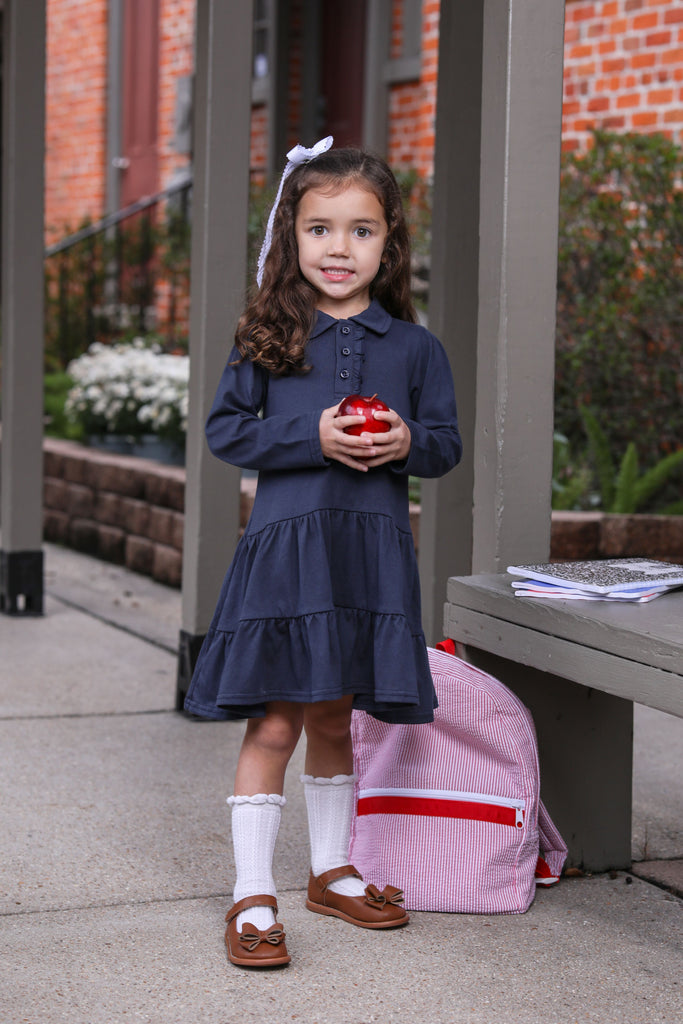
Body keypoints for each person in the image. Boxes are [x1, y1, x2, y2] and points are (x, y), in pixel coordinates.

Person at [184, 138, 462, 968]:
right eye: (319, 230)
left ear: (389, 243)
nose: (338, 248)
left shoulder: (415, 348)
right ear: (291, 240)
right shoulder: (270, 335)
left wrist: (406, 439)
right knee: (276, 718)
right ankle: (250, 893)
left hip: (366, 555)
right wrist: (311, 435)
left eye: (360, 231)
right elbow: (226, 432)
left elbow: (443, 445)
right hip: (285, 553)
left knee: (337, 715)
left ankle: (331, 872)